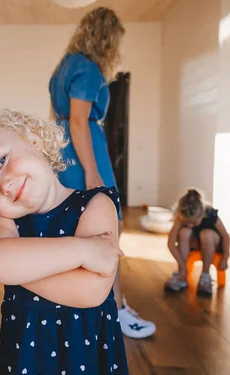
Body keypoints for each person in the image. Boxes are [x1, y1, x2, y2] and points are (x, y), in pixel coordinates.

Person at [0, 108, 133, 375]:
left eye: (2, 160)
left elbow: (90, 292)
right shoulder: (2, 219)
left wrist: (13, 270)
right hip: (26, 365)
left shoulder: (96, 204)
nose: (4, 184)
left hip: (84, 361)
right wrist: (82, 251)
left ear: (31, 138)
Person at [49, 6, 155, 338]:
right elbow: (80, 121)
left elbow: (58, 118)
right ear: (107, 38)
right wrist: (93, 173)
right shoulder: (90, 68)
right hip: (85, 151)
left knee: (70, 230)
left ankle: (80, 308)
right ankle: (117, 310)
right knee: (111, 228)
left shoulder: (63, 67)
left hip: (63, 149)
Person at [165, 188, 230, 295]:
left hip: (212, 243)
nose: (190, 225)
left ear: (202, 214)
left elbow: (225, 236)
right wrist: (182, 266)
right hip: (194, 243)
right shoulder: (181, 217)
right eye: (186, 222)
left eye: (194, 222)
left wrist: (225, 257)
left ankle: (205, 275)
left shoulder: (210, 214)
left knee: (206, 234)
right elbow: (171, 243)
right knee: (184, 232)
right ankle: (182, 275)